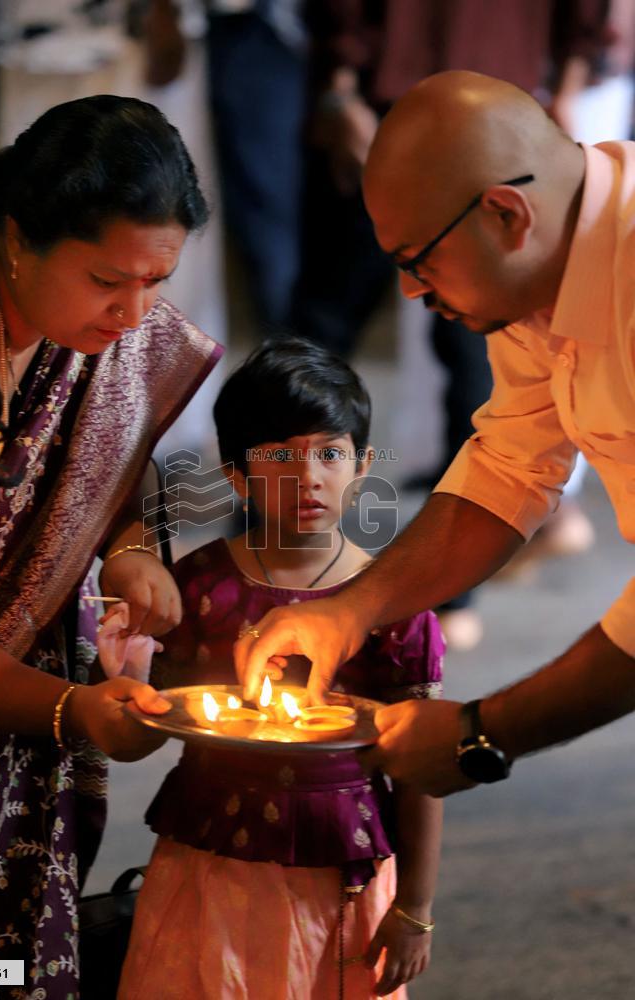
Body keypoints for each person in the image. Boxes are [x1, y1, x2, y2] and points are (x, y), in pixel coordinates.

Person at [234, 70, 635, 799]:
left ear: (506, 215)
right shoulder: (541, 264)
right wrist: (351, 610)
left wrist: (483, 732)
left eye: (419, 263)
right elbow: (510, 468)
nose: (414, 294)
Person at [0, 94, 221, 998]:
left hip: (6, 690)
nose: (134, 315)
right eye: (108, 282)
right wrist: (74, 713)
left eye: (156, 283)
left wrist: (123, 542)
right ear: (18, 238)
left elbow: (100, 448)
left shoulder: (58, 297)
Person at [118, 339, 444, 999]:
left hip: (342, 877)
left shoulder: (392, 605)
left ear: (364, 466)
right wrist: (126, 678)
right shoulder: (200, 589)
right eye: (279, 459)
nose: (310, 478)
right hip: (210, 864)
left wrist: (415, 908)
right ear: (236, 476)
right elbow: (148, 729)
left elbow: (421, 767)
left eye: (330, 453)